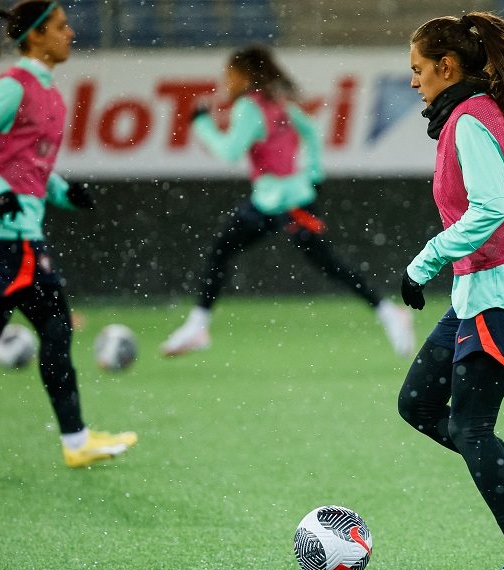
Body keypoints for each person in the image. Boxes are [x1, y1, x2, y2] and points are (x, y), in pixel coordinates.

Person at [397, 12, 504, 570]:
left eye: (419, 70)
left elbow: (492, 208)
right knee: (417, 404)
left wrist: (424, 264)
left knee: (471, 429)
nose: (414, 81)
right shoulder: (487, 114)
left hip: (502, 293)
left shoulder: (471, 122)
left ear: (447, 67)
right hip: (483, 289)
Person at [161, 45, 415, 358]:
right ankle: (388, 312)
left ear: (243, 76)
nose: (225, 81)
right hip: (286, 198)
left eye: (229, 75)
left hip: (280, 201)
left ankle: (199, 325)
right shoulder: (277, 103)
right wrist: (314, 176)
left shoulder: (250, 107)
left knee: (228, 252)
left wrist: (200, 122)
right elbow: (309, 131)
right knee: (320, 263)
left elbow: (229, 152)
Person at [0, 1, 137, 468]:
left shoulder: (52, 96)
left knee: (50, 329)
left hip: (23, 235)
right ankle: (75, 439)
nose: (71, 34)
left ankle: (76, 440)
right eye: (61, 27)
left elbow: (28, 166)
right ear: (37, 36)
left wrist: (63, 191)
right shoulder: (11, 88)